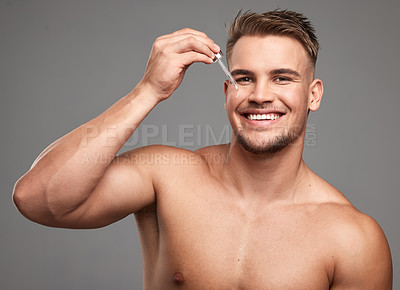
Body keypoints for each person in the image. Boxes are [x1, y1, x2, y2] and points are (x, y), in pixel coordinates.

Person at [13, 9, 392, 289]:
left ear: (313, 95)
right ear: (227, 93)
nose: (260, 95)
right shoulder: (167, 177)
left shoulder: (354, 239)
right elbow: (37, 198)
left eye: (281, 78)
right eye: (244, 78)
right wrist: (148, 91)